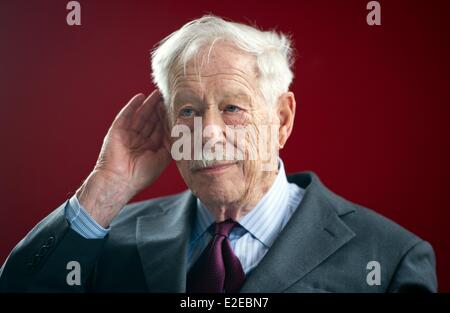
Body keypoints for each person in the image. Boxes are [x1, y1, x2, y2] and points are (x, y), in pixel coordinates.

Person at [0, 15, 437, 292]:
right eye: (188, 110)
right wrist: (105, 189)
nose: (208, 133)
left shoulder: (390, 257)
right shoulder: (109, 239)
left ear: (282, 119)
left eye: (232, 108)